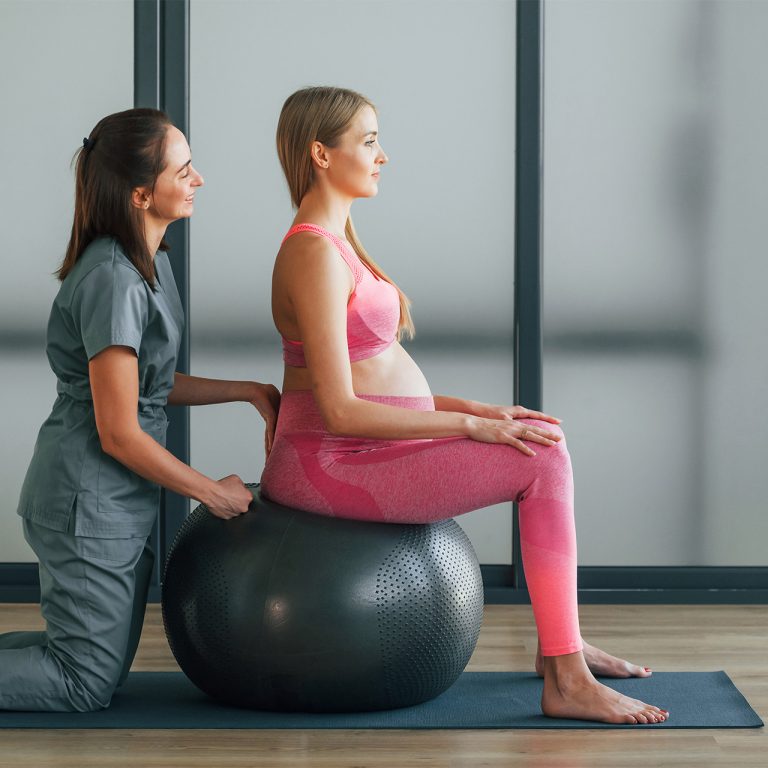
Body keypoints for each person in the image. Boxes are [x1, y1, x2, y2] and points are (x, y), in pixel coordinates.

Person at [261, 86, 668, 725]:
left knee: (538, 436)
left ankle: (564, 644)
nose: (382, 155)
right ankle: (566, 675)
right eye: (369, 141)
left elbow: (373, 382)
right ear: (321, 153)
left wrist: (481, 409)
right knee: (541, 462)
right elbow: (338, 410)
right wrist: (467, 426)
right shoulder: (312, 251)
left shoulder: (338, 244)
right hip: (333, 461)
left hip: (365, 446)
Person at [0, 108, 280, 712]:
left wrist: (249, 390)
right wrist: (211, 492)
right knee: (82, 683)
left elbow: (147, 385)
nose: (198, 178)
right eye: (184, 170)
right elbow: (120, 431)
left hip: (115, 498)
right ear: (139, 193)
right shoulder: (113, 279)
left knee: (86, 662)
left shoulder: (148, 264)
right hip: (86, 499)